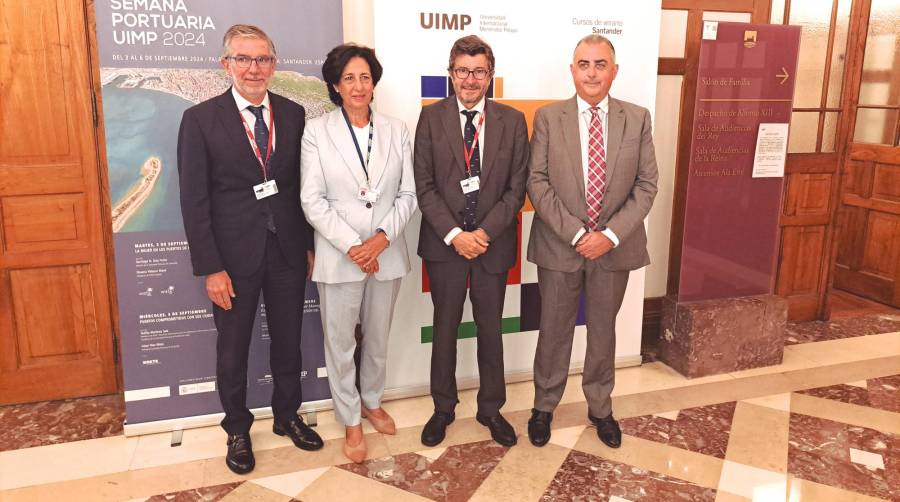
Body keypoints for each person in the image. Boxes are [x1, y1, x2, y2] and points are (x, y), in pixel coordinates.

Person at [177, 24, 323, 475]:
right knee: (233, 348)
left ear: (274, 65)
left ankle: (287, 415)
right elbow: (194, 200)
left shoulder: (295, 114)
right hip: (232, 260)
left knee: (288, 341)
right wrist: (211, 268)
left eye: (262, 59)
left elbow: (304, 188)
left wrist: (310, 246)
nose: (253, 68)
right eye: (243, 59)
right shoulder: (200, 120)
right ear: (227, 65)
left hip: (287, 251)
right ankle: (237, 427)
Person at [526, 34, 658, 449]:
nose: (592, 72)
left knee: (603, 331)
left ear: (614, 71)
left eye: (601, 64)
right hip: (559, 245)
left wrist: (611, 235)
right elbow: (537, 181)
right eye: (584, 64)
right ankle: (544, 407)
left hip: (614, 249)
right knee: (553, 330)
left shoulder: (636, 118)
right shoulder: (549, 117)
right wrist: (579, 234)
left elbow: (647, 184)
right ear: (572, 70)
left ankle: (601, 409)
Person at [300, 44, 417, 463]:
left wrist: (381, 239)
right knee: (340, 343)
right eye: (348, 78)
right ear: (335, 84)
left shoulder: (396, 129)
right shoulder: (317, 132)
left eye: (365, 77)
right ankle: (350, 418)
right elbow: (312, 200)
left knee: (378, 338)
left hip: (386, 253)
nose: (358, 85)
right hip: (340, 256)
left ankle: (372, 400)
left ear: (374, 82)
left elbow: (409, 193)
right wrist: (355, 246)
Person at [414, 35, 529, 448]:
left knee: (490, 328)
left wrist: (481, 234)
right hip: (445, 246)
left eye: (479, 71)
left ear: (490, 76)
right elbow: (424, 187)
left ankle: (491, 408)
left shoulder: (512, 121)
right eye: (463, 70)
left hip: (491, 245)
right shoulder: (430, 118)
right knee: (444, 327)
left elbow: (517, 190)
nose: (470, 79)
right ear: (451, 74)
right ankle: (442, 408)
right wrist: (454, 235)